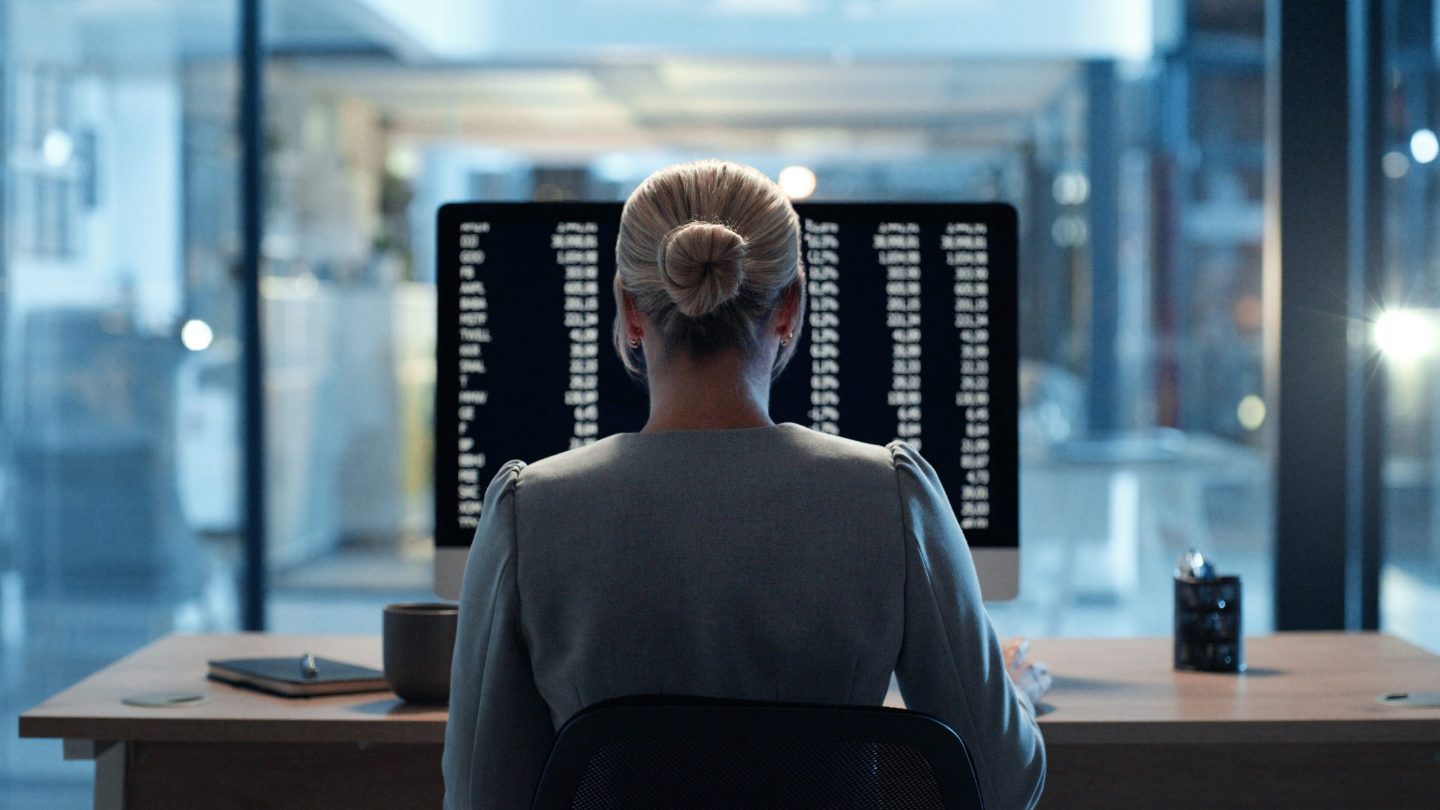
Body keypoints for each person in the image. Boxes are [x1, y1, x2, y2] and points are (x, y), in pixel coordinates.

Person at [443, 160, 1048, 808]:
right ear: (790, 306)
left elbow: (482, 798)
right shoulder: (891, 499)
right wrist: (1009, 693)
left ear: (629, 310)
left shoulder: (529, 514)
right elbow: (1006, 783)